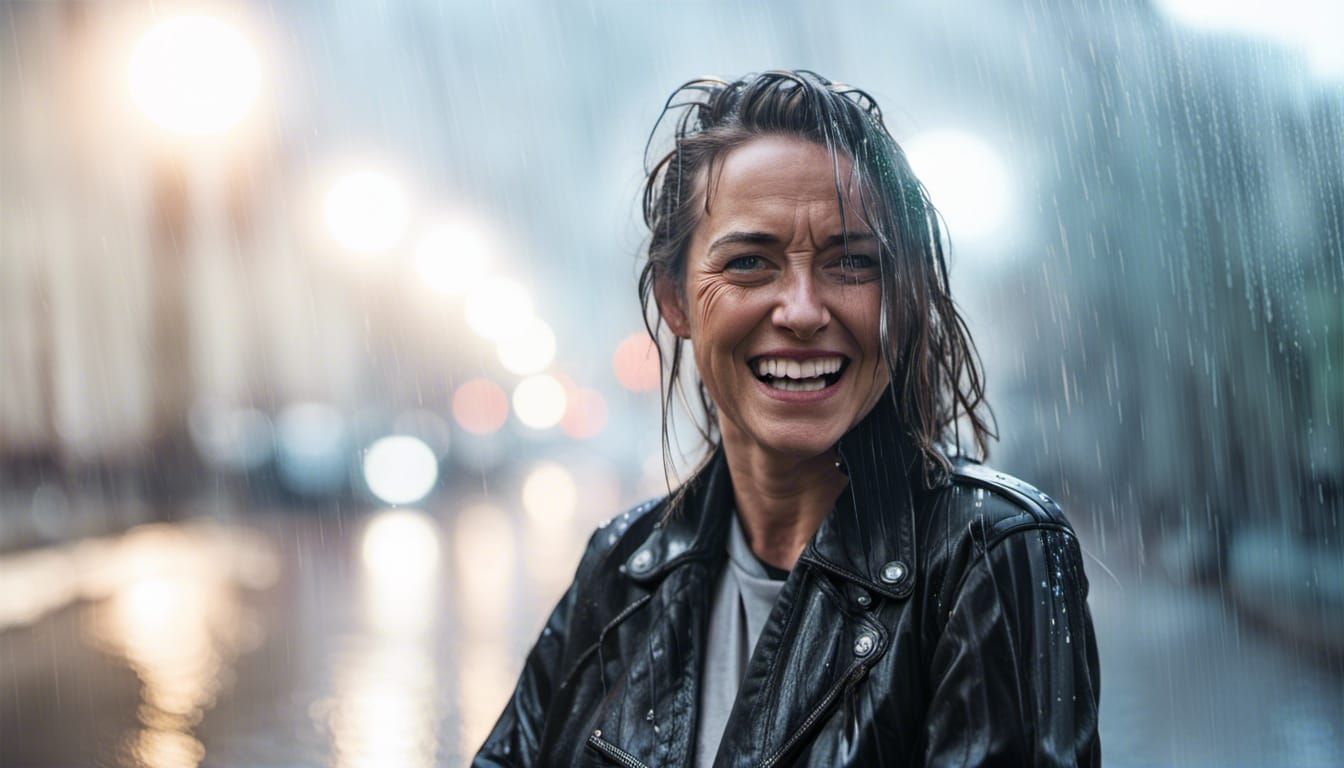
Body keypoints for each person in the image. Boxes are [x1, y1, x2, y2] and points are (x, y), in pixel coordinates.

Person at [473, 70, 1100, 767]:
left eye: (852, 263)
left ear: (905, 296)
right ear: (675, 298)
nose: (802, 311)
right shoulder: (622, 569)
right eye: (749, 262)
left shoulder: (989, 557)